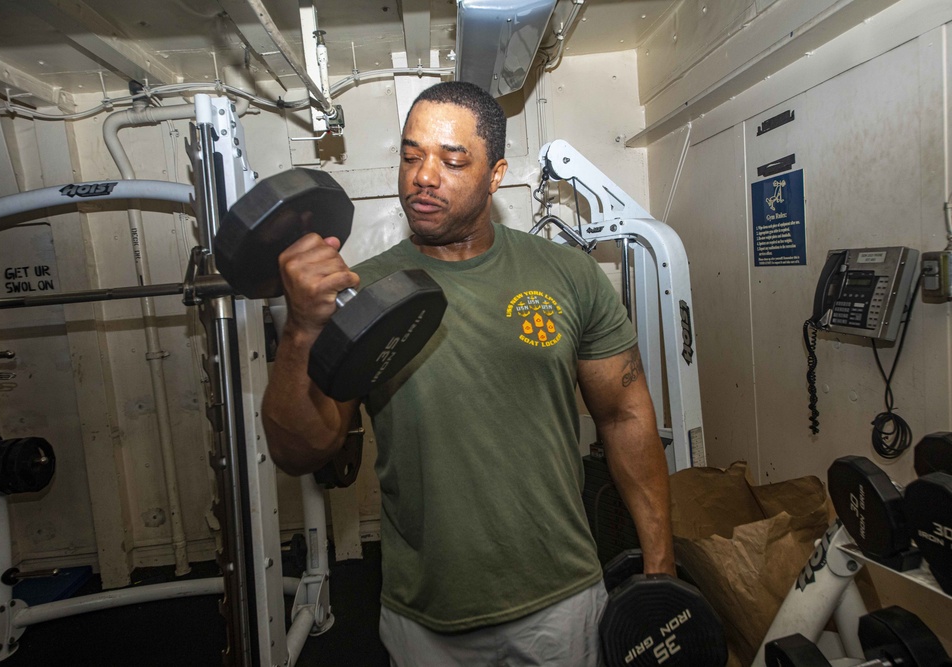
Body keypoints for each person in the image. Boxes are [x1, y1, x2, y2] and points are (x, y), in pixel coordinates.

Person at [262, 80, 675, 666]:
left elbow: (624, 413)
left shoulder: (568, 275)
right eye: (411, 156)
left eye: (452, 160)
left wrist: (660, 571)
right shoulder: (361, 292)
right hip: (426, 614)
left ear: (496, 174)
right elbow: (301, 450)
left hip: (561, 600)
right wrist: (302, 329)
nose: (424, 176)